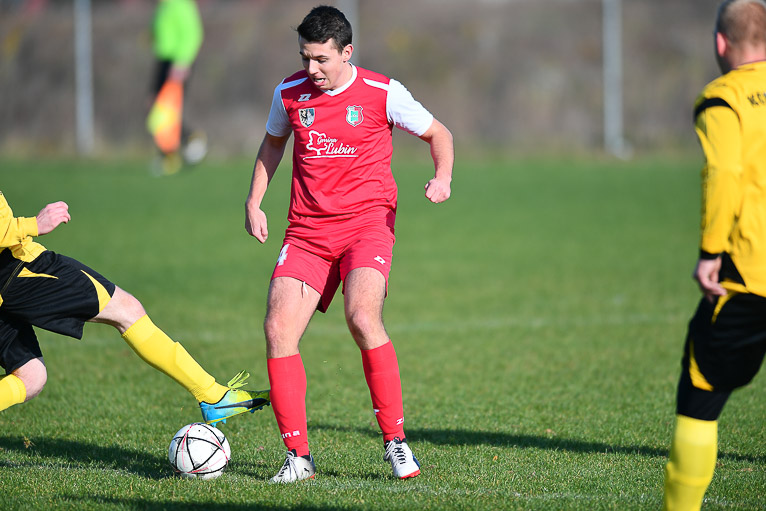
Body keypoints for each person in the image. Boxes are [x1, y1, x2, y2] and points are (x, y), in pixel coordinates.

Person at [244, 5, 453, 483]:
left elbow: (438, 133)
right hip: (307, 232)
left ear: (347, 52)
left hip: (367, 226)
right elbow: (274, 142)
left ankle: (395, 442)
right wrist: (254, 201)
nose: (312, 68)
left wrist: (442, 176)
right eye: (305, 58)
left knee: (362, 317)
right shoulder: (288, 93)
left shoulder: (383, 92)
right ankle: (299, 458)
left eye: (321, 59)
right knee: (278, 328)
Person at [0, 192, 269, 426]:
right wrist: (33, 224)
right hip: (14, 269)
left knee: (30, 377)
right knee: (126, 309)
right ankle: (214, 396)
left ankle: (214, 397)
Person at [662, 1, 766, 509]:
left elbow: (725, 174)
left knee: (700, 395)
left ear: (721, 43)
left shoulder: (723, 98)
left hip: (749, 275)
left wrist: (710, 253)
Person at [148, 0, 207, 175]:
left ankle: (176, 151)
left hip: (176, 63)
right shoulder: (164, 5)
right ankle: (187, 141)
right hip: (164, 60)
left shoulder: (181, 5)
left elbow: (192, 35)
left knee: (166, 110)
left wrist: (182, 62)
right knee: (156, 108)